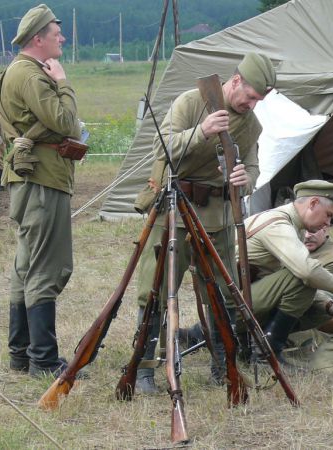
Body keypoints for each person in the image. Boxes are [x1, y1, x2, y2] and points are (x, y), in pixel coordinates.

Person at [132, 52, 276, 393]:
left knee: (225, 295)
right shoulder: (191, 102)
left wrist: (246, 179)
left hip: (219, 219)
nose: (253, 105)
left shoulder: (251, 124)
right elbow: (161, 147)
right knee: (153, 292)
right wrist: (202, 132)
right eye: (251, 96)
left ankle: (223, 364)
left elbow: (254, 168)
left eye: (260, 100)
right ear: (236, 80)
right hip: (176, 214)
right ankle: (143, 370)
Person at [0, 4, 82, 377]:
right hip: (43, 180)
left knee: (26, 265)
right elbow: (67, 123)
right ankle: (44, 359)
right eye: (56, 33)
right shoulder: (33, 76)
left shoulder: (11, 72)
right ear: (38, 38)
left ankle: (22, 353)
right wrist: (62, 81)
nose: (62, 37)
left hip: (28, 179)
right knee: (48, 266)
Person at [242, 180, 333, 361]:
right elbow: (306, 273)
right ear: (313, 203)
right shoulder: (278, 226)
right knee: (304, 277)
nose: (328, 223)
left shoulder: (292, 225)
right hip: (231, 307)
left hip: (243, 300)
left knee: (320, 308)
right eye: (328, 215)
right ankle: (266, 354)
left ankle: (257, 342)